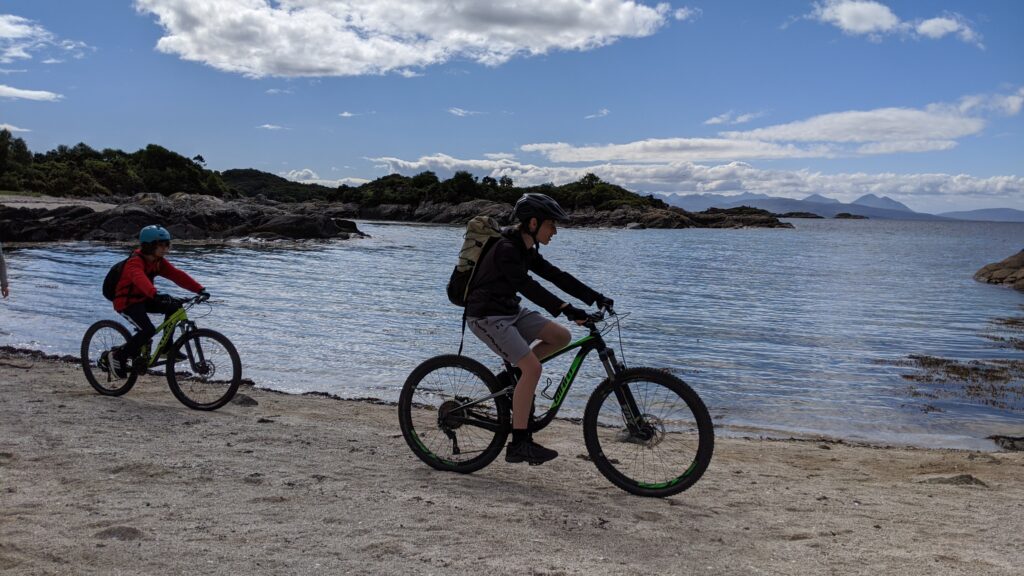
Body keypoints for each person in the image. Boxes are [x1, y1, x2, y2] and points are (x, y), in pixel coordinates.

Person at [465, 193, 613, 465]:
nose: (555, 231)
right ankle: (520, 444)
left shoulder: (526, 247)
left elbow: (555, 276)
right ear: (533, 222)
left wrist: (595, 297)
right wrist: (567, 309)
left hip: (509, 310)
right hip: (486, 316)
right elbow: (528, 286)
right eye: (551, 225)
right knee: (533, 369)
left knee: (561, 336)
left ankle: (511, 381)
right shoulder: (507, 249)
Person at [106, 225, 207, 378]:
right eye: (161, 245)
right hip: (127, 303)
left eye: (167, 244)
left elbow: (176, 275)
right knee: (148, 330)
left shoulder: (158, 261)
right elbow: (140, 279)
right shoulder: (134, 262)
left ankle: (166, 348)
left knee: (175, 306)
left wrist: (199, 289)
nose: (165, 248)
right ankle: (117, 356)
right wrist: (155, 294)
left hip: (145, 298)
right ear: (149, 245)